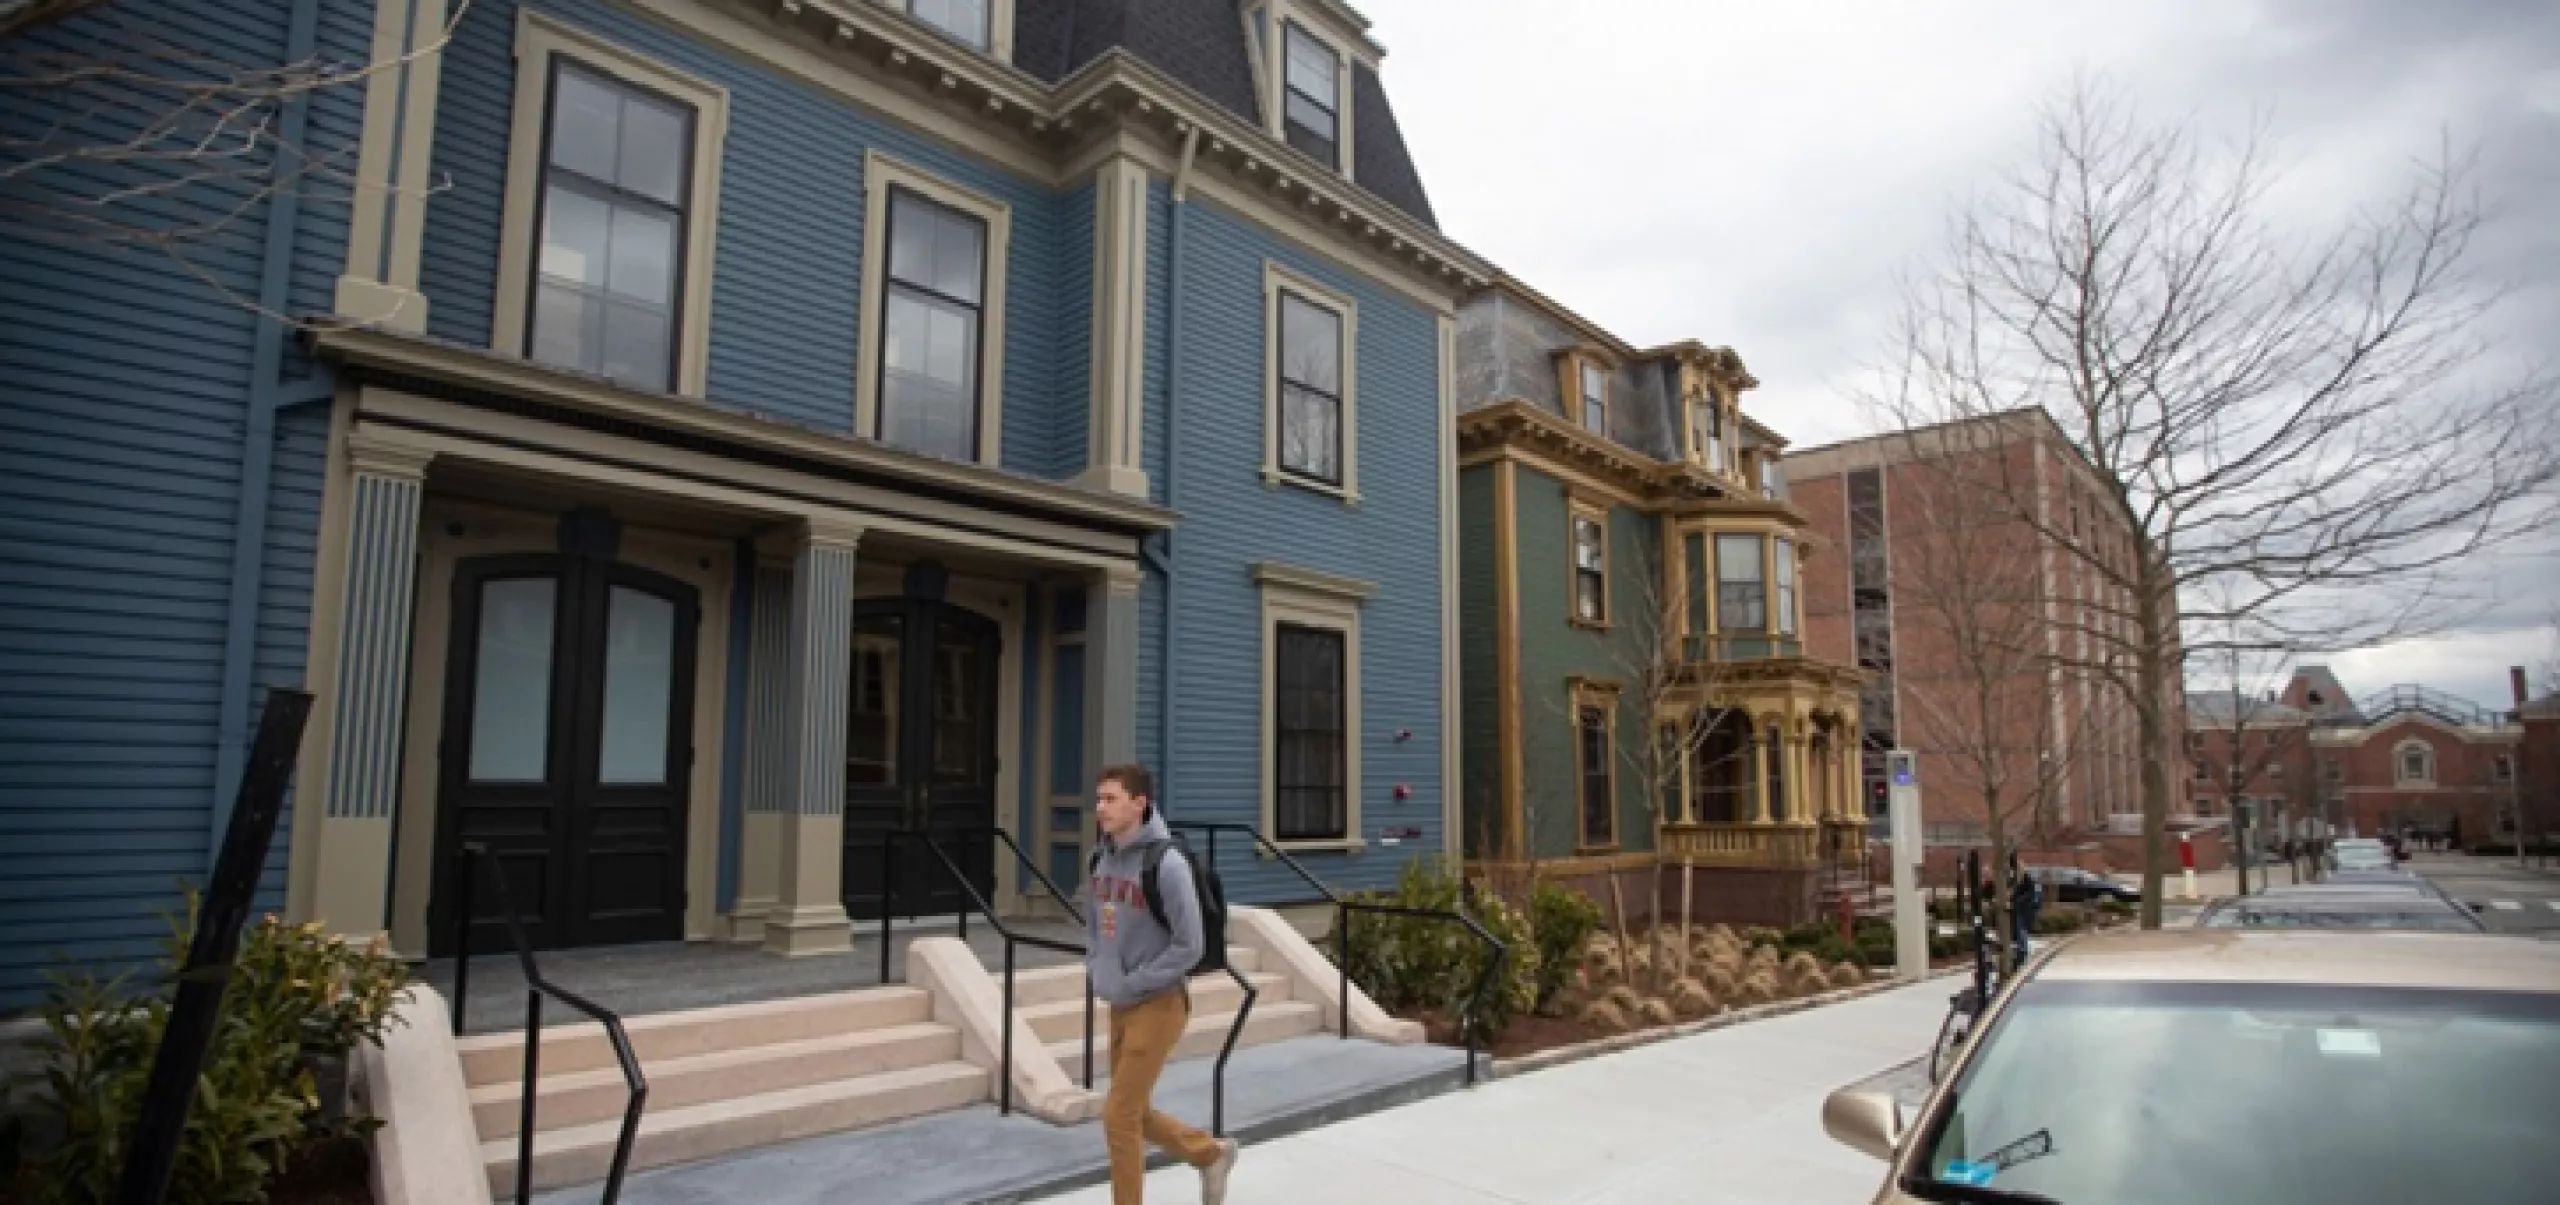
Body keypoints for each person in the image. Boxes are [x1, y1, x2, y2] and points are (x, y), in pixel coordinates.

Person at [1084, 763, 1237, 1205]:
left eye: (1111, 799)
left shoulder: (1166, 864)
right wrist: (1098, 968)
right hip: (1119, 1000)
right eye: (1099, 799)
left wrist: (1134, 982)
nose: (1101, 808)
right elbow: (1094, 924)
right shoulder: (1100, 857)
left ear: (1139, 802)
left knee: (1117, 1115)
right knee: (1133, 1112)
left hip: (1159, 1003)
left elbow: (1191, 945)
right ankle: (1211, 1155)